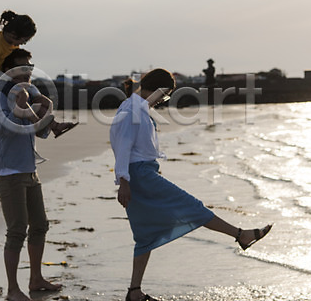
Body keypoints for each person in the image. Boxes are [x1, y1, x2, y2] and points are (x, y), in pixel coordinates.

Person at [110, 68, 272, 301]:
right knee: (193, 207)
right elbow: (122, 148)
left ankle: (134, 291)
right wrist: (123, 182)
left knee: (145, 235)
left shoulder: (136, 108)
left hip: (142, 174)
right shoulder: (132, 110)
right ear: (158, 89)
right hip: (140, 177)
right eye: (165, 96)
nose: (163, 101)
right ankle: (240, 235)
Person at [0, 50, 63, 301]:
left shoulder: (24, 97)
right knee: (17, 230)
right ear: (8, 73)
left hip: (29, 170)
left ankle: (36, 279)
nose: (28, 71)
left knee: (40, 225)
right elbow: (9, 132)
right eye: (22, 68)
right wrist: (21, 107)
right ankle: (12, 290)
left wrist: (45, 111)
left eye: (30, 66)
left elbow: (37, 134)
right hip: (8, 172)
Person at [0, 10, 77, 138]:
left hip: (5, 77)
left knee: (35, 96)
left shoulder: (11, 44)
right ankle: (37, 123)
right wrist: (12, 81)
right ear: (13, 35)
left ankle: (55, 126)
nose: (22, 45)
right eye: (23, 41)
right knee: (22, 94)